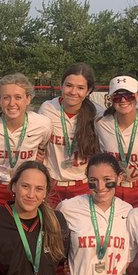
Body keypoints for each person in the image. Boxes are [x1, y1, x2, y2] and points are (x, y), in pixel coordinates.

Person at [0, 73, 52, 213]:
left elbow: (42, 147)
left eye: (18, 97)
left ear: (28, 99)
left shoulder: (42, 124)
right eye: (6, 98)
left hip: (25, 188)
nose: (12, 103)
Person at [39, 64, 100, 207]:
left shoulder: (97, 113)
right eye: (69, 85)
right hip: (51, 185)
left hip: (82, 186)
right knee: (50, 228)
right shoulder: (47, 108)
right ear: (61, 86)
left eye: (80, 88)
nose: (73, 92)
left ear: (88, 90)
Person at [96, 75, 138, 207]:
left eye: (129, 95)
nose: (123, 100)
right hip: (111, 188)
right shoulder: (101, 123)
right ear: (111, 99)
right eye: (117, 96)